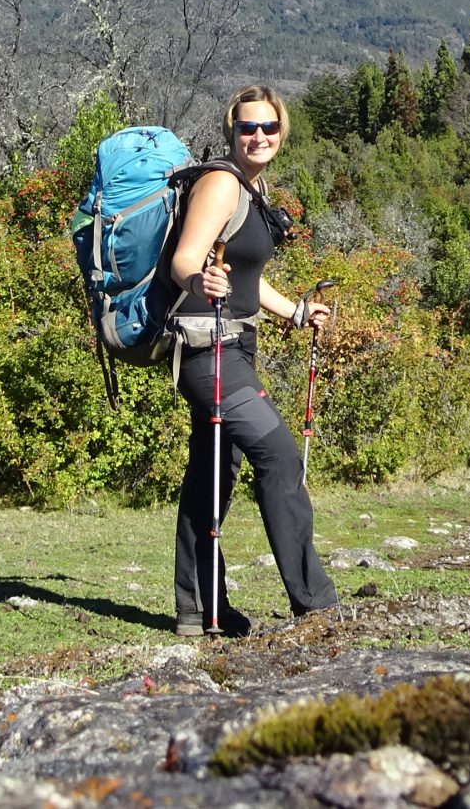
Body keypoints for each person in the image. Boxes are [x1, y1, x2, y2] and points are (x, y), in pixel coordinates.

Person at [166, 85, 339, 636]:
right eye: (247, 128)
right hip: (206, 347)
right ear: (232, 132)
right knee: (280, 457)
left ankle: (200, 610)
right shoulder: (220, 184)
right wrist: (199, 278)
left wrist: (296, 312)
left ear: (281, 132)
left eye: (268, 127)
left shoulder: (253, 190)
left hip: (235, 342)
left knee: (212, 476)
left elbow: (248, 279)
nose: (258, 136)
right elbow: (185, 259)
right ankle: (315, 604)